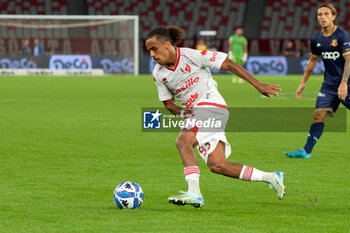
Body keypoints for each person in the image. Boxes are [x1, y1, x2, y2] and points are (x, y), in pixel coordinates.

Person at [145, 26, 285, 208]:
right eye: (149, 50)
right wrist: (181, 112)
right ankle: (271, 177)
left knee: (182, 142)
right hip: (197, 112)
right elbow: (169, 104)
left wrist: (258, 84)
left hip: (211, 104)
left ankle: (194, 193)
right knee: (217, 165)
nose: (152, 54)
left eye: (154, 48)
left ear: (167, 44)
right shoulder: (159, 74)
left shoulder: (191, 55)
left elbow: (227, 63)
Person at [285, 2, 350, 159]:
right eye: (320, 14)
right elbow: (313, 60)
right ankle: (306, 151)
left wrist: (344, 83)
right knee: (318, 115)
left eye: (326, 14)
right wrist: (303, 82)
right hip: (328, 85)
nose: (323, 17)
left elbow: (348, 60)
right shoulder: (316, 39)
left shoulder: (341, 36)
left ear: (333, 16)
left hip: (346, 83)